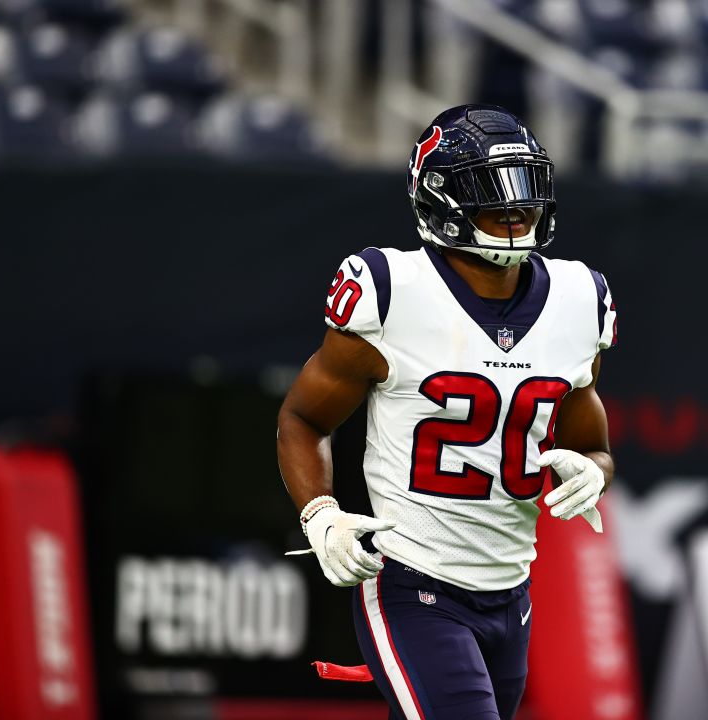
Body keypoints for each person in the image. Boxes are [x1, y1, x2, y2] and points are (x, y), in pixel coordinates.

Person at [277, 104, 618, 720]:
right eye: (494, 200)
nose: (515, 217)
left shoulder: (578, 298)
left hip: (511, 592)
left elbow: (590, 439)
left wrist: (595, 470)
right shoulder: (391, 289)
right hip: (412, 579)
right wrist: (320, 515)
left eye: (524, 198)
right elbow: (303, 420)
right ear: (440, 201)